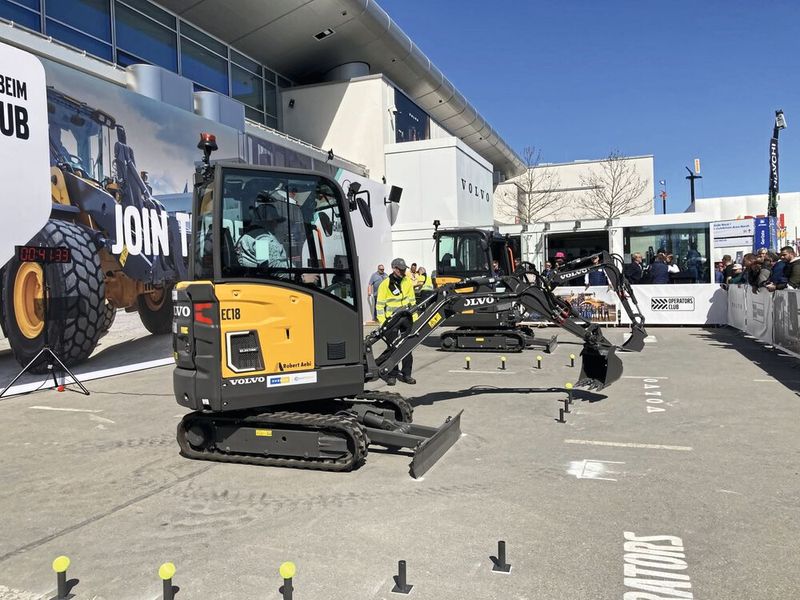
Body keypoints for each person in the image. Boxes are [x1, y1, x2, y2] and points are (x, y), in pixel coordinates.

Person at [376, 258, 417, 386]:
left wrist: (414, 319)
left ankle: (407, 374)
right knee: (393, 348)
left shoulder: (407, 282)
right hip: (391, 320)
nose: (403, 271)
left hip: (406, 318)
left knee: (407, 347)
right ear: (394, 269)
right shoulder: (385, 284)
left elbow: (413, 302)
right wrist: (383, 323)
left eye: (404, 269)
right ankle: (392, 375)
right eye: (401, 269)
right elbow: (380, 305)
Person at [235, 204, 288, 268]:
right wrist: (296, 275)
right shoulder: (262, 239)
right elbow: (271, 267)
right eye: (274, 221)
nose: (276, 225)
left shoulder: (251, 235)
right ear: (266, 221)